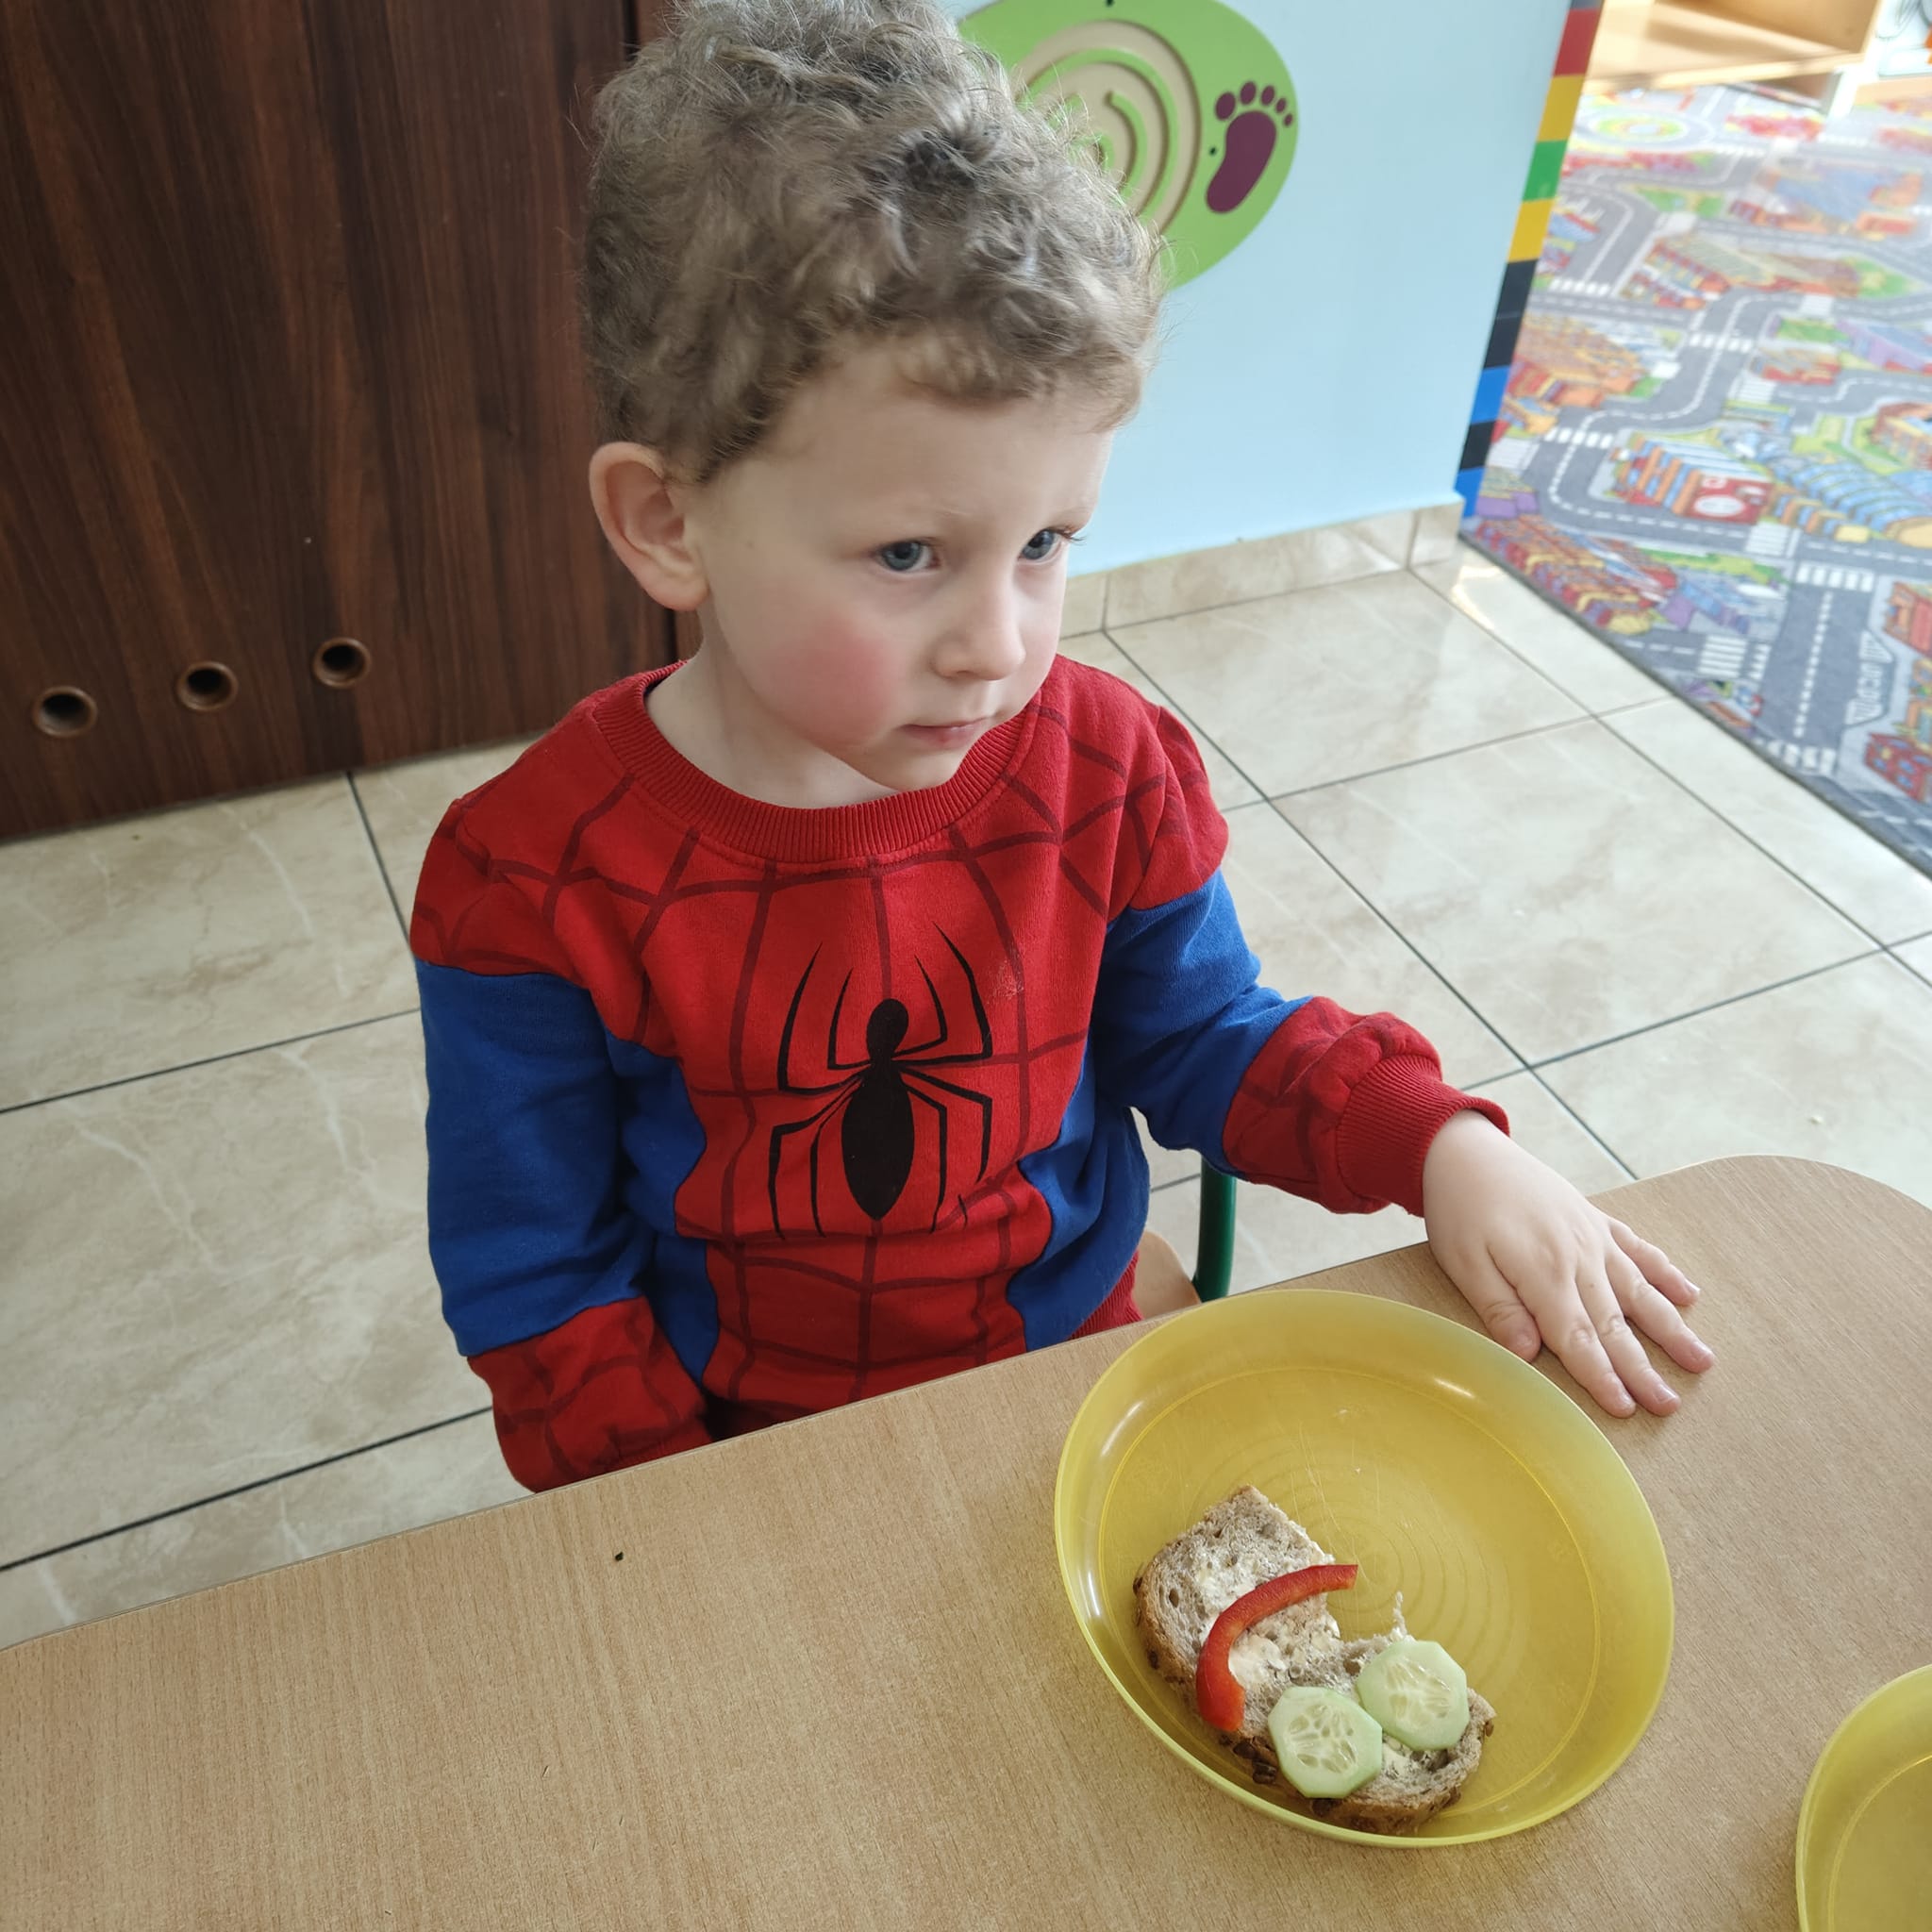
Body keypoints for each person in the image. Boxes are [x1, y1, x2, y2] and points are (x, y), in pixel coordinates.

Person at [410, 0, 1711, 1492]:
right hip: (746, 1456)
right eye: (909, 553)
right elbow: (543, 1283)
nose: (999, 644)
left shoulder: (1108, 764)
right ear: (667, 522)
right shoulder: (523, 883)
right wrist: (670, 1505)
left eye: (1045, 542)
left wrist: (1444, 1149)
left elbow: (1207, 1039)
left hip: (1075, 1367)